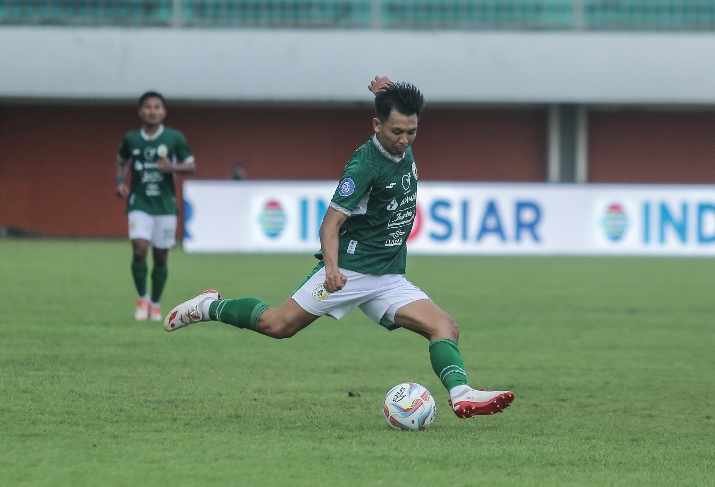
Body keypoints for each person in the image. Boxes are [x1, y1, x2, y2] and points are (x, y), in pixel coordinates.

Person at [163, 78, 514, 418]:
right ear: (377, 125)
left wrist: (387, 91)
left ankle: (461, 394)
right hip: (349, 269)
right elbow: (330, 223)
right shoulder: (364, 166)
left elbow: (400, 117)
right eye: (397, 132)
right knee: (277, 325)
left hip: (388, 275)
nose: (405, 140)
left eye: (412, 132)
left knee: (445, 327)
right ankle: (208, 306)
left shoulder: (398, 138)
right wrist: (331, 269)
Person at [116, 91, 196, 321]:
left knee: (161, 257)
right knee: (140, 249)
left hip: (164, 206)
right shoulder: (131, 139)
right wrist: (120, 181)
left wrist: (174, 168)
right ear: (140, 111)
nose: (153, 111)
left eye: (157, 107)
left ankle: (156, 304)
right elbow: (121, 160)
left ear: (164, 112)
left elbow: (191, 166)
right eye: (148, 107)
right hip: (139, 203)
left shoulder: (174, 138)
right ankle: (142, 297)